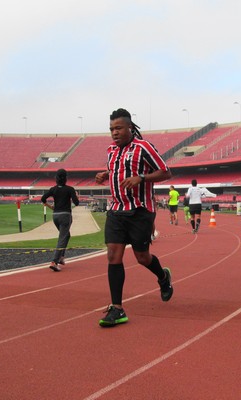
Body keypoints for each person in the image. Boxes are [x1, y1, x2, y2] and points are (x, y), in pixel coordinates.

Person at [95, 108, 173, 327]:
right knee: (113, 256)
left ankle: (163, 276)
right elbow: (117, 169)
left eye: (118, 128)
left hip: (140, 210)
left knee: (142, 257)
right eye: (111, 129)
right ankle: (117, 308)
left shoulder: (143, 147)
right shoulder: (111, 150)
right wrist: (105, 175)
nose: (114, 132)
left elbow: (166, 172)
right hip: (117, 210)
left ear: (130, 127)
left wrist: (142, 178)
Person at [41, 169, 80, 272]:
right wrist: (76, 196)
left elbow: (43, 198)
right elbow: (76, 203)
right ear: (66, 178)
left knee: (66, 236)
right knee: (62, 238)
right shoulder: (70, 189)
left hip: (56, 216)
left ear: (56, 178)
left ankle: (61, 257)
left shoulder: (53, 189)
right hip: (65, 216)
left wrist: (51, 207)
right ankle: (54, 261)